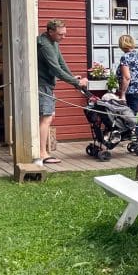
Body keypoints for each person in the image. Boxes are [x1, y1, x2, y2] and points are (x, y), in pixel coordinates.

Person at [36, 19, 86, 165]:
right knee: (46, 118)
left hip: (48, 85)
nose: (63, 37)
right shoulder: (45, 45)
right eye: (60, 35)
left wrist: (73, 80)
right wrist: (76, 82)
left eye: (65, 34)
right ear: (51, 32)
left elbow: (62, 64)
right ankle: (42, 153)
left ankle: (42, 151)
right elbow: (55, 69)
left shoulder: (54, 43)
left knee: (49, 116)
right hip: (42, 85)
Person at [117, 34, 138, 116]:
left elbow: (127, 77)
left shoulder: (125, 57)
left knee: (132, 116)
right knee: (135, 113)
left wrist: (122, 94)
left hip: (131, 90)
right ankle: (137, 127)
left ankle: (137, 128)